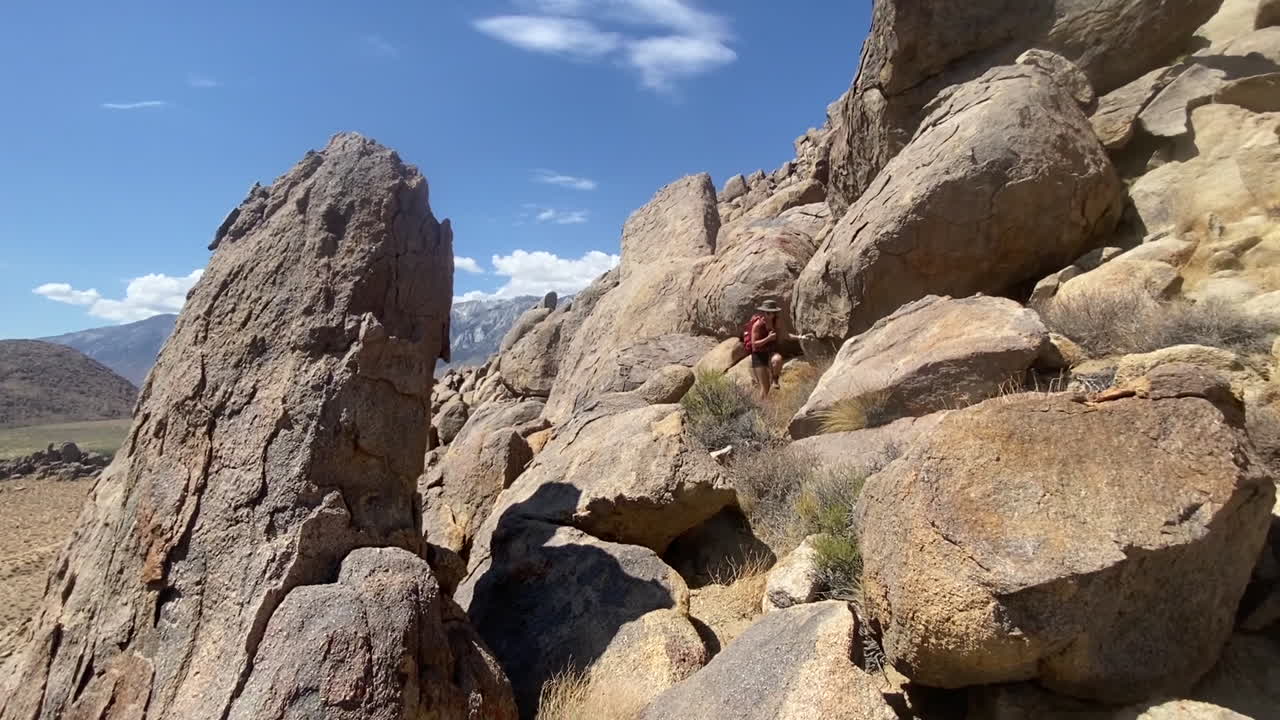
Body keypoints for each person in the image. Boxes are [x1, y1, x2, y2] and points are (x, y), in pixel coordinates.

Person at [747, 299, 810, 400]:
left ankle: (775, 379)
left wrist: (800, 337)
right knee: (765, 388)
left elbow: (786, 335)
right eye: (766, 313)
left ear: (774, 313)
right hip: (758, 354)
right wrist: (768, 339)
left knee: (777, 359)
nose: (768, 315)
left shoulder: (777, 321)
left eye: (770, 313)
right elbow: (755, 344)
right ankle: (761, 408)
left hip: (770, 352)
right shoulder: (758, 325)